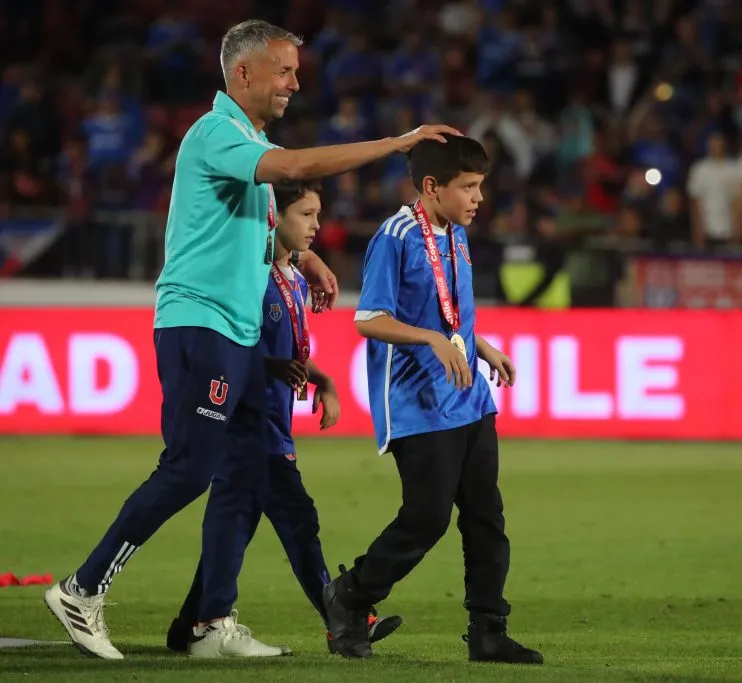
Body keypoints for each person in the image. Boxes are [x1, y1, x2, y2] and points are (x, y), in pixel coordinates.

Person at [44, 18, 460, 660]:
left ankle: (210, 624)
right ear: (243, 73)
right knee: (189, 468)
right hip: (200, 320)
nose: (295, 82)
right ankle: (82, 587)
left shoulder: (245, 139)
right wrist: (397, 143)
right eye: (285, 70)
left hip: (236, 332)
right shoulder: (218, 134)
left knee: (246, 475)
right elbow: (296, 166)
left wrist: (305, 258)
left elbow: (251, 228)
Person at [320, 135, 543, 665]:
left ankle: (488, 630)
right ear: (431, 187)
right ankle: (349, 596)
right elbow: (368, 318)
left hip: (468, 396)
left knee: (486, 516)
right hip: (416, 402)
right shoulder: (395, 236)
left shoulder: (456, 234)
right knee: (427, 519)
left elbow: (447, 312)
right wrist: (432, 340)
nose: (478, 198)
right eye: (467, 187)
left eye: (480, 186)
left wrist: (481, 345)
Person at [164, 181, 404, 656]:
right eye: (307, 215)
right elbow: (230, 348)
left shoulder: (293, 279)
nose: (318, 226)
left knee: (242, 520)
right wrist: (271, 368)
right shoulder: (248, 277)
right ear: (274, 218)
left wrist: (323, 380)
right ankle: (342, 616)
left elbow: (286, 352)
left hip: (272, 422)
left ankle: (191, 624)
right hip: (240, 420)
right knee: (291, 519)